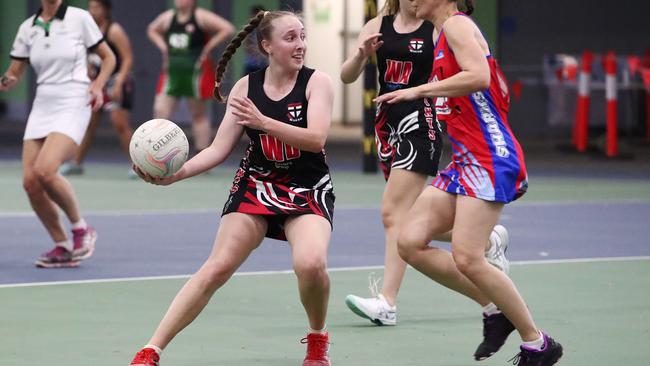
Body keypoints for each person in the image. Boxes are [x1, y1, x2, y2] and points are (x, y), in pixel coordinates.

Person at [129, 10, 335, 366]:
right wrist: (174, 175)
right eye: (290, 38)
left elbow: (315, 139)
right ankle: (151, 350)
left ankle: (317, 339)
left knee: (311, 263)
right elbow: (217, 150)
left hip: (306, 187)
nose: (300, 44)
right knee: (217, 267)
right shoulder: (246, 88)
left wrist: (263, 121)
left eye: (302, 36)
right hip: (257, 184)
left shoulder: (318, 83)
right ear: (267, 46)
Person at [374, 0, 563, 364]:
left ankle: (538, 343)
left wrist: (418, 91)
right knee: (410, 241)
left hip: (489, 155)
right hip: (464, 159)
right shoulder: (441, 33)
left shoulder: (457, 25)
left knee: (467, 256)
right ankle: (495, 309)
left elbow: (479, 77)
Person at [339, 0, 510, 326]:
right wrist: (361, 54)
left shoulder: (436, 29)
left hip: (420, 122)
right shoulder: (379, 25)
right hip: (387, 125)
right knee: (413, 218)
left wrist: (428, 93)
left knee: (393, 213)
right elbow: (347, 76)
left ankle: (387, 302)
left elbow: (468, 73)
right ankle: (489, 241)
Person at [0, 0, 115, 268]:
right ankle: (62, 245)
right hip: (43, 103)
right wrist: (6, 81)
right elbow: (15, 71)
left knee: (45, 170)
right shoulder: (28, 28)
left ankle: (81, 229)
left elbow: (109, 57)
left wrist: (98, 85)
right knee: (30, 182)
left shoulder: (79, 18)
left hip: (74, 97)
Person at [60, 0, 136, 178]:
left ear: (106, 10)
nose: (92, 11)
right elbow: (90, 57)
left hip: (118, 81)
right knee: (88, 123)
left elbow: (127, 59)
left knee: (120, 124)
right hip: (97, 82)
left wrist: (118, 83)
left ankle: (138, 165)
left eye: (97, 7)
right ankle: (76, 163)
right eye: (91, 7)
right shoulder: (89, 30)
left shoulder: (114, 30)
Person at [147, 0, 235, 154]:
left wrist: (208, 47)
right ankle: (157, 153)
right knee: (160, 111)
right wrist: (163, 47)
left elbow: (227, 28)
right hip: (172, 72)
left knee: (198, 114)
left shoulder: (200, 16)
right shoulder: (168, 18)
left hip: (195, 73)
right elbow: (152, 29)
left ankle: (203, 153)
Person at [242, 5, 268, 76]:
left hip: (262, 64)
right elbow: (246, 45)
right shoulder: (250, 29)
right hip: (250, 63)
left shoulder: (266, 29)